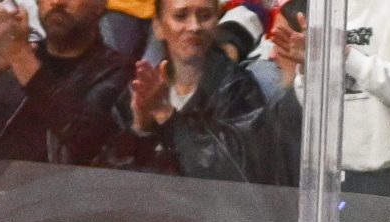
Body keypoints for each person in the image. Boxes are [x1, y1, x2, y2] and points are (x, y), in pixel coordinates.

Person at [270, 0, 390, 200]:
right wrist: (311, 67)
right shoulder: (326, 8)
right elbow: (316, 108)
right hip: (345, 175)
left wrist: (346, 55)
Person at [97, 0, 268, 182]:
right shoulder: (139, 90)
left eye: (205, 16)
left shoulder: (238, 88)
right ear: (158, 27)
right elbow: (105, 179)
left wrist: (166, 116)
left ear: (217, 23)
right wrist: (140, 129)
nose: (194, 27)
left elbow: (234, 173)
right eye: (180, 16)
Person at [0, 0, 129, 165]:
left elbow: (89, 145)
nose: (57, 2)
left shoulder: (118, 72)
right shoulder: (18, 51)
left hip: (55, 198)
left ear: (100, 5)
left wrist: (20, 57)